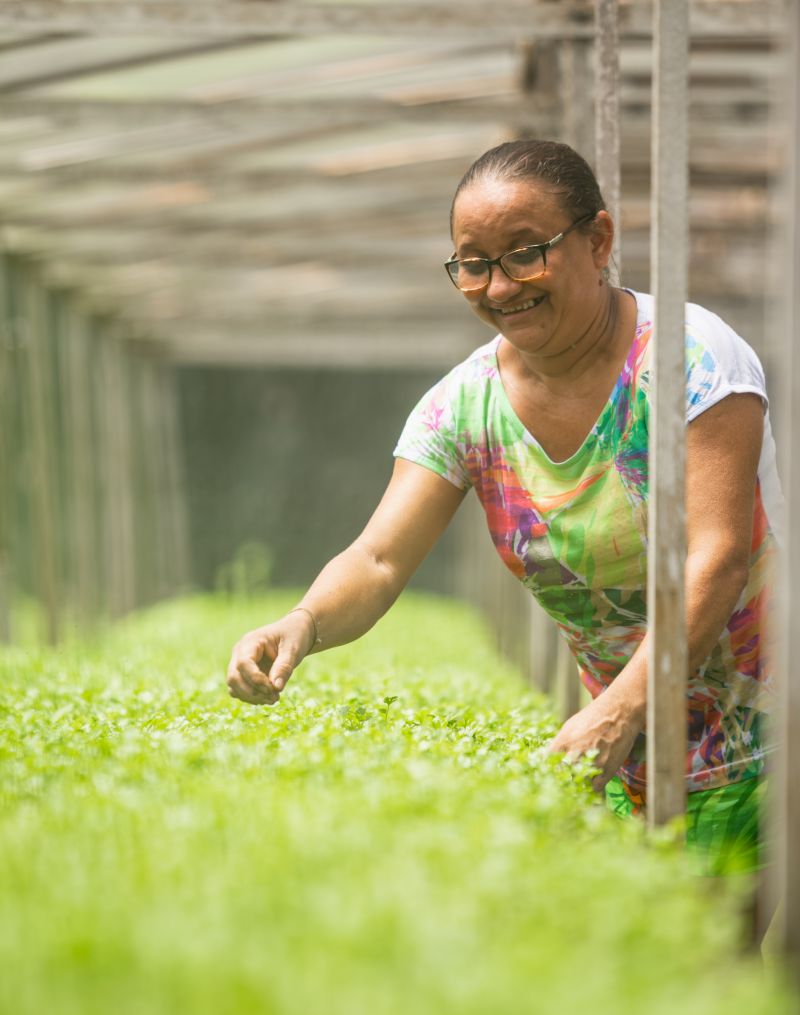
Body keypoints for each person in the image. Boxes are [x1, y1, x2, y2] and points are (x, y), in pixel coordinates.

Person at [227, 139, 781, 879]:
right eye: (474, 263)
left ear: (599, 240)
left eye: (525, 253)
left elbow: (718, 559)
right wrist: (303, 622)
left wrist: (623, 709)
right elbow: (379, 558)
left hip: (769, 729)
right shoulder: (464, 407)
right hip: (621, 746)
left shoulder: (692, 361)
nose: (498, 287)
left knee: (724, 971)